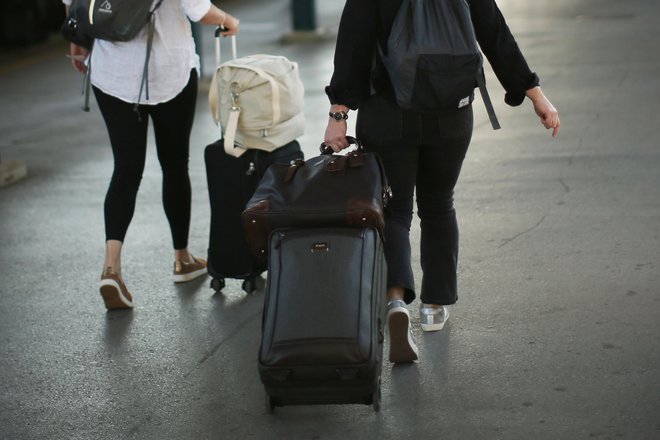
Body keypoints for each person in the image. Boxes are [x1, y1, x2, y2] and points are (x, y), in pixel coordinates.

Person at [323, 0, 560, 363]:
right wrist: (533, 93)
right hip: (451, 113)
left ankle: (396, 299)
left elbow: (352, 44)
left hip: (389, 113)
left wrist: (339, 113)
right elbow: (494, 32)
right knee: (438, 204)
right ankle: (433, 307)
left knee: (395, 210)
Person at [63, 0, 240, 310]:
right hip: (169, 70)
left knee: (126, 169)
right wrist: (228, 20)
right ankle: (182, 259)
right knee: (174, 165)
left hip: (111, 72)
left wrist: (76, 39)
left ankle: (111, 267)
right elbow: (198, 9)